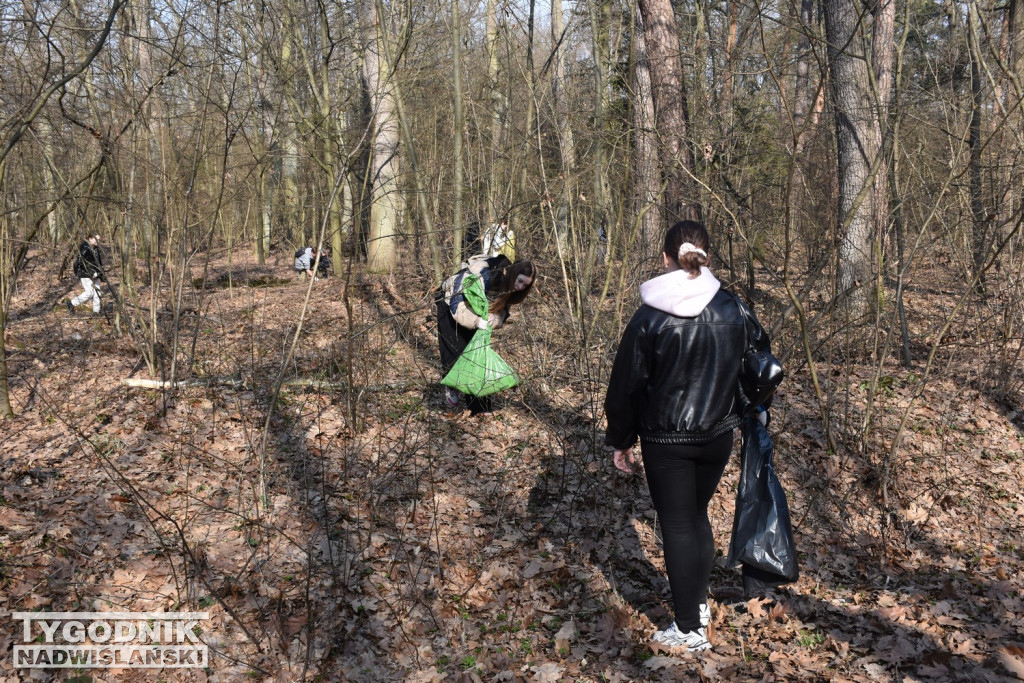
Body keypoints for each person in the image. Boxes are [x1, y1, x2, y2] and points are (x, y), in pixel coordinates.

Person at [604, 220, 774, 654]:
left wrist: (621, 439)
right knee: (695, 517)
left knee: (679, 524)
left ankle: (688, 629)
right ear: (706, 256)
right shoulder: (734, 308)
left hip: (666, 438)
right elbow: (762, 363)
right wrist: (750, 409)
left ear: (666, 258)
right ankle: (695, 609)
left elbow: (626, 384)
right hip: (718, 433)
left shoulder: (650, 315)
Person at [436, 255, 537, 415]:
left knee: (476, 357)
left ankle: (480, 409)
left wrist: (494, 319)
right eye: (520, 281)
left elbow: (503, 314)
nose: (521, 287)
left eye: (525, 285)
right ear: (513, 273)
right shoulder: (482, 274)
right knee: (455, 350)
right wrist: (475, 321)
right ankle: (452, 383)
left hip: (478, 313)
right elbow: (457, 305)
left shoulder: (510, 288)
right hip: (450, 303)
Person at [67, 233, 104, 315]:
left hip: (95, 273)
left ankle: (96, 312)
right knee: (89, 293)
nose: (98, 241)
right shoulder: (84, 247)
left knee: (97, 292)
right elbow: (81, 262)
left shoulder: (95, 248)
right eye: (96, 239)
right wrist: (91, 272)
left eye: (99, 239)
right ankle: (71, 303)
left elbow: (98, 262)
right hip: (85, 273)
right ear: (90, 239)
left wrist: (101, 273)